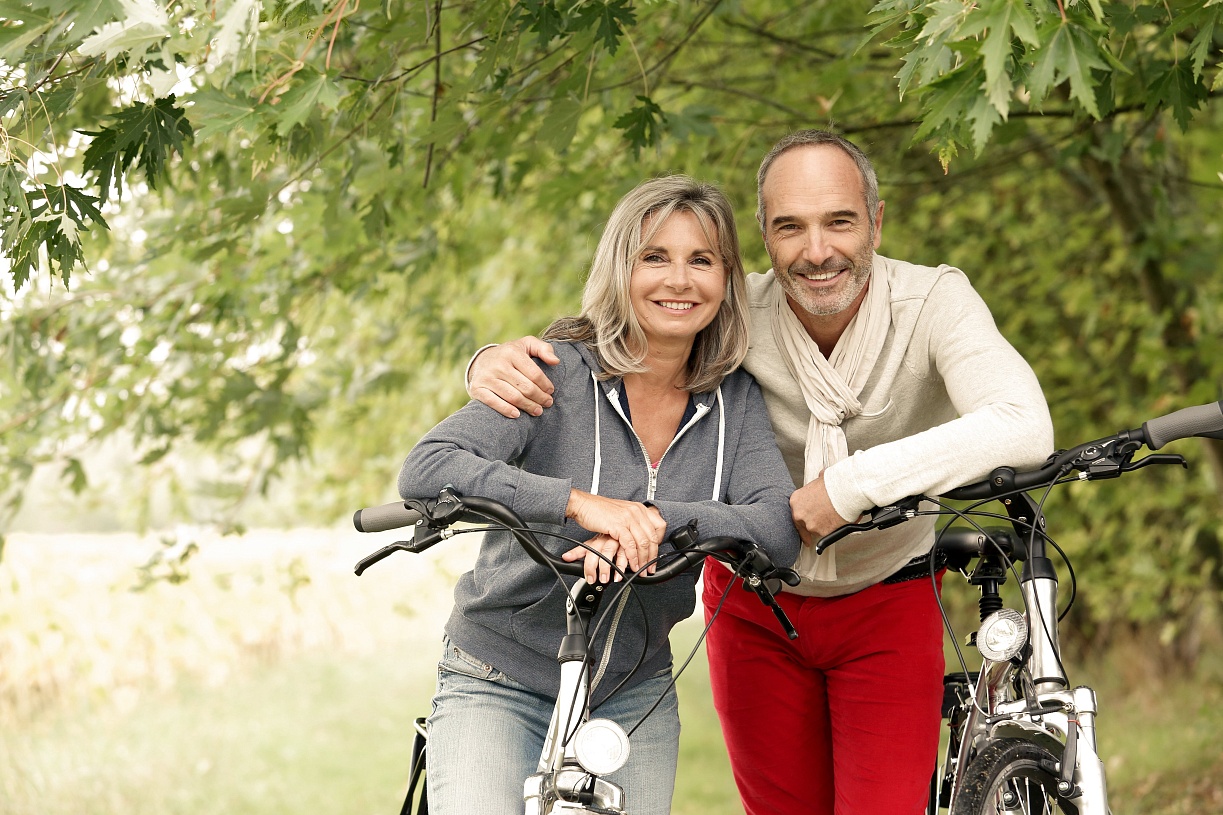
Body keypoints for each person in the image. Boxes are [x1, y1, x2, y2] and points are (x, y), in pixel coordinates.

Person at [464, 130, 1055, 814]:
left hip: (888, 597)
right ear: (763, 235)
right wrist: (489, 364)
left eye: (839, 221)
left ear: (876, 222)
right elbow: (613, 344)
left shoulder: (933, 304)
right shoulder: (730, 313)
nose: (817, 250)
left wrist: (849, 486)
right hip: (754, 604)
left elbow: (1022, 424)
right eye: (790, 227)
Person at [398, 175, 800, 815]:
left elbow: (776, 527)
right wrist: (581, 504)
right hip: (500, 677)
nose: (679, 280)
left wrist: (653, 523)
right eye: (655, 257)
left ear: (727, 279)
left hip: (632, 692)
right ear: (620, 268)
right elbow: (429, 466)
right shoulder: (554, 373)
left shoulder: (735, 399)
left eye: (702, 260)